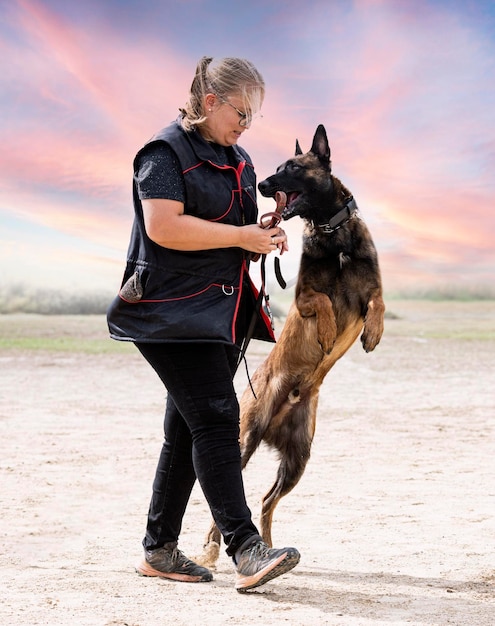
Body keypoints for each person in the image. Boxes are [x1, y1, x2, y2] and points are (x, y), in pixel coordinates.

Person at [107, 56, 300, 592]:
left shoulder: (236, 157)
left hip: (219, 312)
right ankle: (245, 547)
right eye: (241, 111)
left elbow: (226, 228)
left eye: (253, 117)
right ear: (210, 101)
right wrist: (241, 238)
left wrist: (259, 232)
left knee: (183, 429)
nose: (246, 125)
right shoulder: (163, 152)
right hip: (167, 312)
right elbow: (164, 227)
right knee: (216, 419)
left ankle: (160, 550)